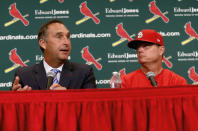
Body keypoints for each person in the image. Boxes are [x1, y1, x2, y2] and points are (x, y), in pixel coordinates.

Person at [11, 19, 96, 91]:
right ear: (43, 43)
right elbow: (12, 108)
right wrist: (16, 99)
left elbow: (92, 108)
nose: (66, 42)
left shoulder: (84, 73)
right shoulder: (24, 75)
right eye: (59, 37)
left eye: (68, 37)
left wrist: (69, 98)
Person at [122, 29, 187, 88]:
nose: (140, 50)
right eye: (137, 47)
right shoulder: (127, 81)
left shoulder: (177, 81)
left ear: (161, 50)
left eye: (146, 46)